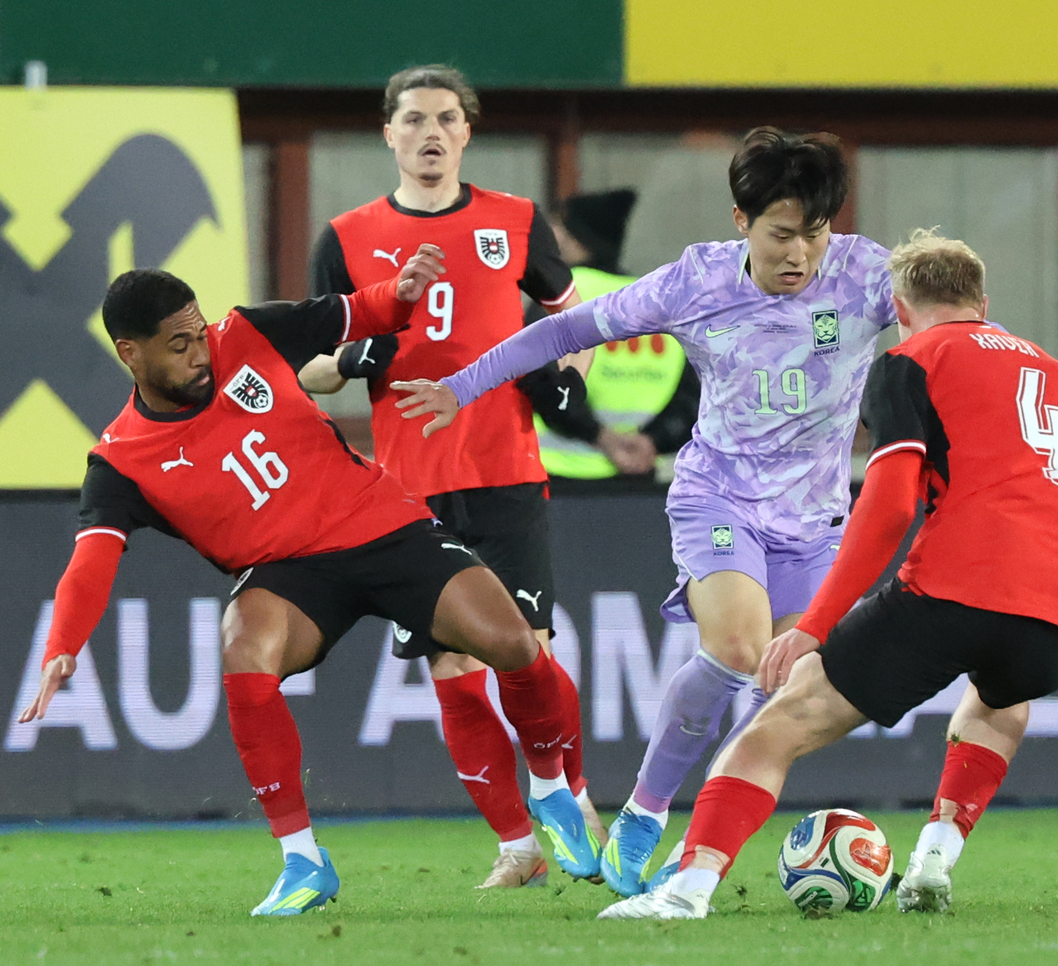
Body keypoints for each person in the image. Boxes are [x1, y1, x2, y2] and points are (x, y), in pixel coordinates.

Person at [594, 231, 1058, 920]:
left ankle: (685, 892)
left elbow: (891, 501)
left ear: (900, 308)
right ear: (983, 303)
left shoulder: (910, 362)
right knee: (1000, 700)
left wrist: (815, 627)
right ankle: (933, 856)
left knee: (771, 733)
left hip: (953, 593)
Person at [17, 248, 600, 917]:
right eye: (178, 346)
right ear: (130, 353)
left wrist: (402, 294)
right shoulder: (119, 460)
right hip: (288, 574)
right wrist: (64, 642)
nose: (200, 355)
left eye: (199, 334)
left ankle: (551, 786)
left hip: (380, 525)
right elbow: (90, 560)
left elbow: (353, 313)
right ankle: (302, 860)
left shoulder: (245, 335)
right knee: (242, 646)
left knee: (516, 646)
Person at [392, 127, 898, 896]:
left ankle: (694, 855)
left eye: (816, 233)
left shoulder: (867, 275)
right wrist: (460, 386)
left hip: (818, 522)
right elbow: (566, 327)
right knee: (735, 646)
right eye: (782, 234)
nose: (801, 253)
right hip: (719, 495)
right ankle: (645, 812)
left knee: (778, 695)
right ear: (741, 222)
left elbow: (949, 321)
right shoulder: (697, 281)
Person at [300, 65, 604, 888]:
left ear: (468, 133)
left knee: (527, 657)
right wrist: (345, 360)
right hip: (408, 489)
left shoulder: (514, 221)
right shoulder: (346, 235)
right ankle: (518, 845)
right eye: (414, 120)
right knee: (453, 673)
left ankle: (568, 798)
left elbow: (575, 319)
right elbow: (309, 374)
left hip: (504, 470)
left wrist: (565, 374)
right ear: (388, 134)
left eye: (446, 119)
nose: (430, 133)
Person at [536, 189, 701, 482]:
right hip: (636, 479)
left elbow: (541, 380)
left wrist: (601, 437)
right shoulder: (657, 302)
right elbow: (693, 396)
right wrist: (652, 441)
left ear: (578, 237)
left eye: (561, 226)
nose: (554, 235)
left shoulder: (559, 296)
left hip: (560, 476)